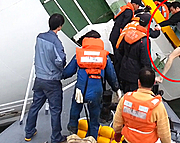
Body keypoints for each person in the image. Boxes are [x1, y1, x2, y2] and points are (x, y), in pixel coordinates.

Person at [63, 30, 121, 140]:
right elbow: (111, 75)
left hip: (80, 90)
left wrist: (58, 75)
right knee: (94, 118)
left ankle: (72, 135)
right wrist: (116, 88)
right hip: (96, 90)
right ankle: (91, 138)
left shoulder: (79, 54)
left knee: (74, 113)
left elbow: (68, 72)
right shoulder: (104, 56)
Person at [25, 14, 67, 143]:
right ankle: (56, 137)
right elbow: (60, 60)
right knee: (55, 110)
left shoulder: (40, 37)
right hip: (52, 81)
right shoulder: (56, 42)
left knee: (35, 106)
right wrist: (61, 69)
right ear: (60, 27)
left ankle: (29, 132)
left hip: (39, 79)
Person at [113, 68, 171, 143]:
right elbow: (164, 133)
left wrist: (118, 133)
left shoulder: (125, 99)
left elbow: (117, 123)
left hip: (128, 140)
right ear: (153, 83)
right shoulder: (157, 106)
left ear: (138, 82)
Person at [115, 13, 160, 93]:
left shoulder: (129, 33)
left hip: (124, 70)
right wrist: (150, 76)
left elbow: (120, 50)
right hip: (134, 75)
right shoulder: (144, 40)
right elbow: (145, 60)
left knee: (125, 93)